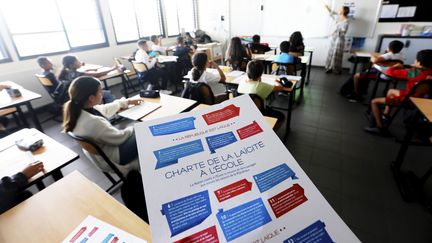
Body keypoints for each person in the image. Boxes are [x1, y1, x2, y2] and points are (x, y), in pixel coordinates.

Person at [63, 76, 143, 168]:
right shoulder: (93, 122)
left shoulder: (79, 111)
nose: (102, 93)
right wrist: (133, 127)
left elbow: (105, 109)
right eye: (100, 91)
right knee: (145, 130)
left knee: (140, 129)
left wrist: (127, 102)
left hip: (104, 154)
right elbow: (119, 138)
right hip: (117, 156)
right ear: (91, 98)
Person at [365, 49, 432, 135]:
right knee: (391, 91)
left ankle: (380, 127)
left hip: (409, 100)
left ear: (419, 62)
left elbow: (389, 72)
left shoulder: (413, 72)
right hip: (423, 101)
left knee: (374, 102)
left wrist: (396, 66)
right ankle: (385, 115)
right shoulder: (425, 72)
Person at [237, 60, 285, 129]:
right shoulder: (261, 86)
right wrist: (276, 82)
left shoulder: (242, 82)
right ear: (260, 74)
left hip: (244, 111)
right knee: (281, 116)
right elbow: (280, 88)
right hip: (260, 113)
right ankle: (271, 132)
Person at [324, 5, 350, 74]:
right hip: (334, 37)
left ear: (344, 11)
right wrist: (327, 8)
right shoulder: (337, 16)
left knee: (337, 53)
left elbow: (344, 31)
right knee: (331, 52)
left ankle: (337, 69)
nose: (339, 9)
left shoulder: (346, 20)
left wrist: (336, 30)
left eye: (341, 8)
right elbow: (331, 13)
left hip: (340, 38)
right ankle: (329, 67)